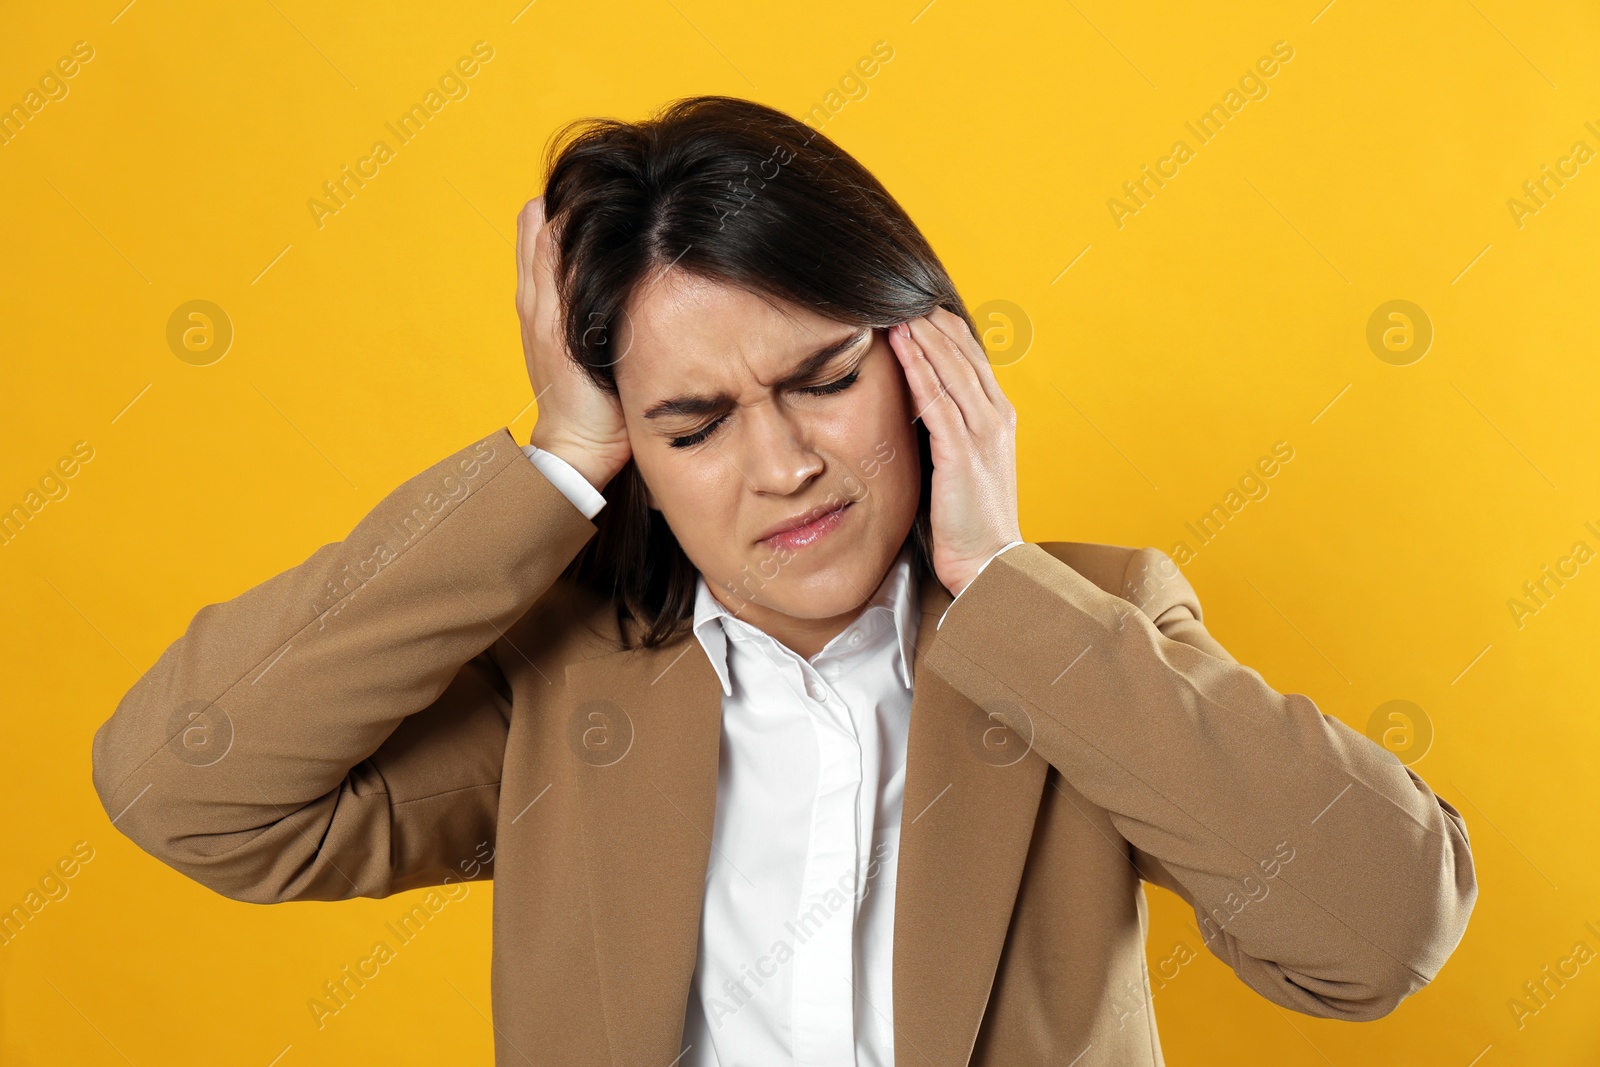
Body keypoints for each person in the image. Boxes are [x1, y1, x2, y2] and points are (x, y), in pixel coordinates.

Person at [91, 95, 1476, 1066]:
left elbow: (1380, 932)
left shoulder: (1090, 629)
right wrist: (556, 464)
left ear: (928, 359)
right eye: (693, 425)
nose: (785, 466)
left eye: (823, 380)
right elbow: (182, 788)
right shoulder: (562, 686)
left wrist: (1000, 586)